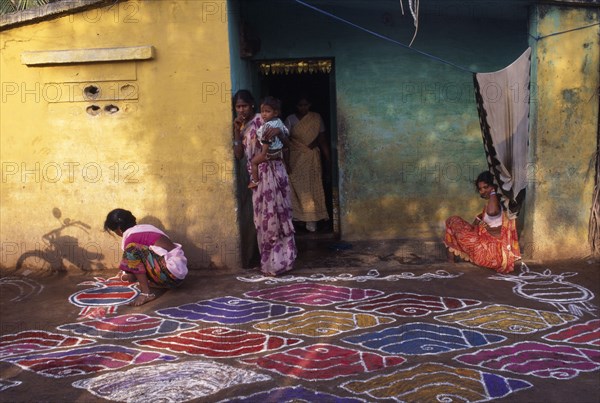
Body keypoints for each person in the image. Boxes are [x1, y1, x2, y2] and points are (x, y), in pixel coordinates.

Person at [232, 90, 296, 276]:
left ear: (252, 105)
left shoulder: (266, 118)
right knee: (263, 220)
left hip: (274, 171)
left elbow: (285, 142)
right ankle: (269, 264)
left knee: (279, 216)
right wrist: (237, 131)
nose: (241, 109)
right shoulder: (242, 126)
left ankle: (284, 261)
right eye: (238, 106)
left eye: (244, 105)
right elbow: (238, 155)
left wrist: (279, 135)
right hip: (258, 178)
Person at [104, 208, 188, 306]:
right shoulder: (147, 228)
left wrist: (125, 276)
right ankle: (156, 284)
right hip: (177, 277)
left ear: (118, 229)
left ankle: (145, 293)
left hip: (169, 275)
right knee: (136, 261)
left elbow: (132, 276)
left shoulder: (131, 238)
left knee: (132, 249)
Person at [444, 171, 521, 273]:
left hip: (490, 255)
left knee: (452, 221)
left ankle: (450, 261)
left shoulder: (496, 202)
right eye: (480, 189)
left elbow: (492, 212)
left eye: (486, 187)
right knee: (454, 220)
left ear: (494, 186)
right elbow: (477, 223)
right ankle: (451, 260)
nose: (483, 191)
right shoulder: (502, 201)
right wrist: (479, 222)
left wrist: (493, 191)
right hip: (491, 250)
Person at [284, 95, 330, 232]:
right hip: (295, 158)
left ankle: (312, 221)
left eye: (306, 105)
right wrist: (286, 162)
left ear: (310, 105)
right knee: (296, 188)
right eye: (300, 105)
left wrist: (328, 160)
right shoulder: (290, 119)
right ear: (296, 106)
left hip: (311, 158)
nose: (303, 108)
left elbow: (322, 139)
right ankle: (299, 219)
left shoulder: (316, 118)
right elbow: (285, 140)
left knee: (312, 188)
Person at [248, 96, 287, 189]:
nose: (264, 114)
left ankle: (255, 181)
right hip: (278, 152)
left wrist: (264, 153)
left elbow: (266, 140)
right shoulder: (279, 122)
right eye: (262, 111)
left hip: (268, 153)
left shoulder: (266, 126)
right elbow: (286, 132)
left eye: (267, 111)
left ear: (275, 112)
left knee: (253, 162)